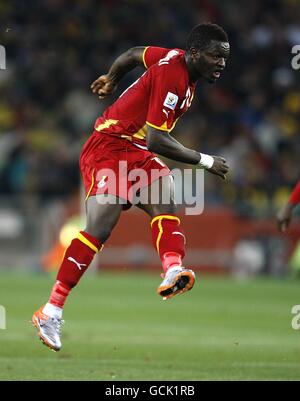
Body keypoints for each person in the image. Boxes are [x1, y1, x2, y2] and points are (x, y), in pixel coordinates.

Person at [32, 23, 230, 351]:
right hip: (109, 146)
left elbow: (132, 54)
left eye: (225, 58)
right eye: (215, 57)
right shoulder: (175, 80)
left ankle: (172, 270)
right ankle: (50, 310)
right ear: (195, 54)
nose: (221, 63)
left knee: (166, 199)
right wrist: (206, 162)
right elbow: (157, 140)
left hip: (133, 150)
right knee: (100, 226)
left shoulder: (173, 58)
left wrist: (111, 77)